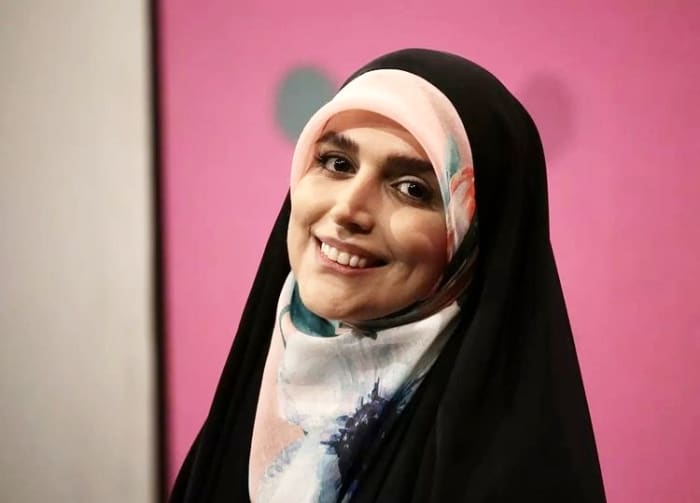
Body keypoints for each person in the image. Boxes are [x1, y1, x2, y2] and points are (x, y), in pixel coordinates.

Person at [170, 48, 606, 502]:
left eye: (412, 189)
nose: (348, 210)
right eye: (337, 163)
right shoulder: (246, 414)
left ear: (474, 239)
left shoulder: (515, 473)